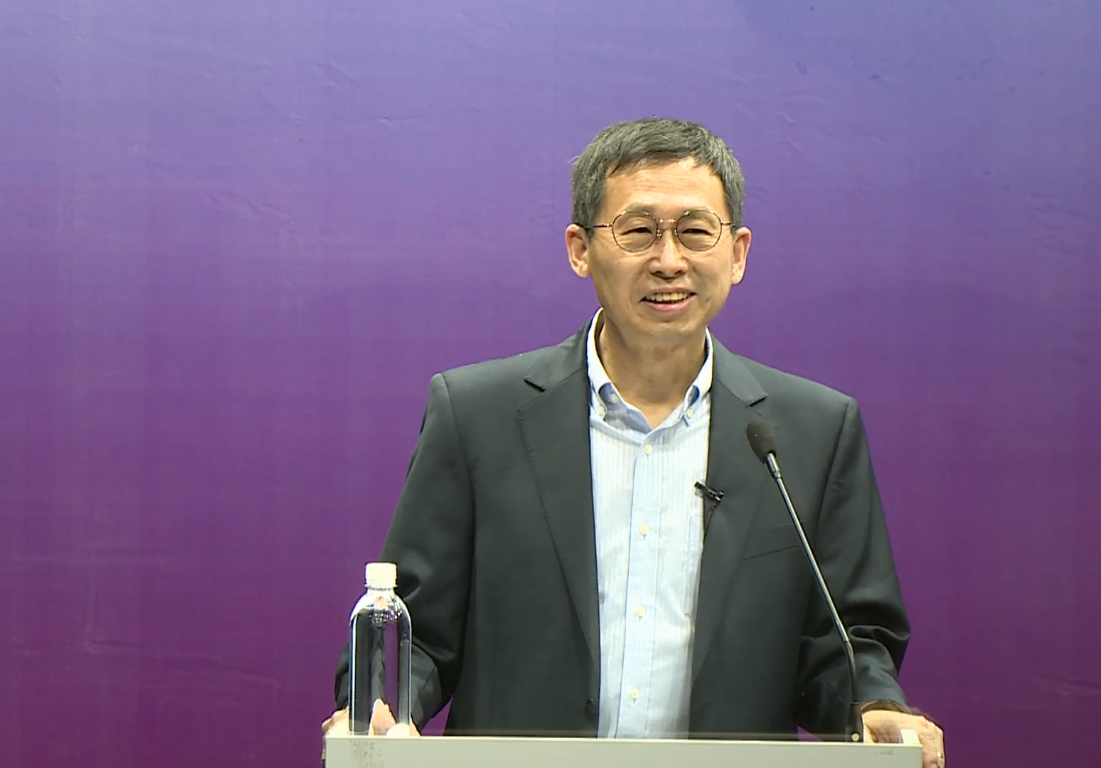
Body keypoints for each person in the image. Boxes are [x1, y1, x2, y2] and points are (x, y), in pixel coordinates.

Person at [322, 117, 946, 767]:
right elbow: (414, 632)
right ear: (580, 248)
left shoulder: (811, 431)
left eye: (696, 231)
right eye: (639, 230)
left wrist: (873, 705)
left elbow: (846, 643)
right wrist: (380, 709)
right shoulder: (478, 415)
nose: (668, 261)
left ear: (737, 253)